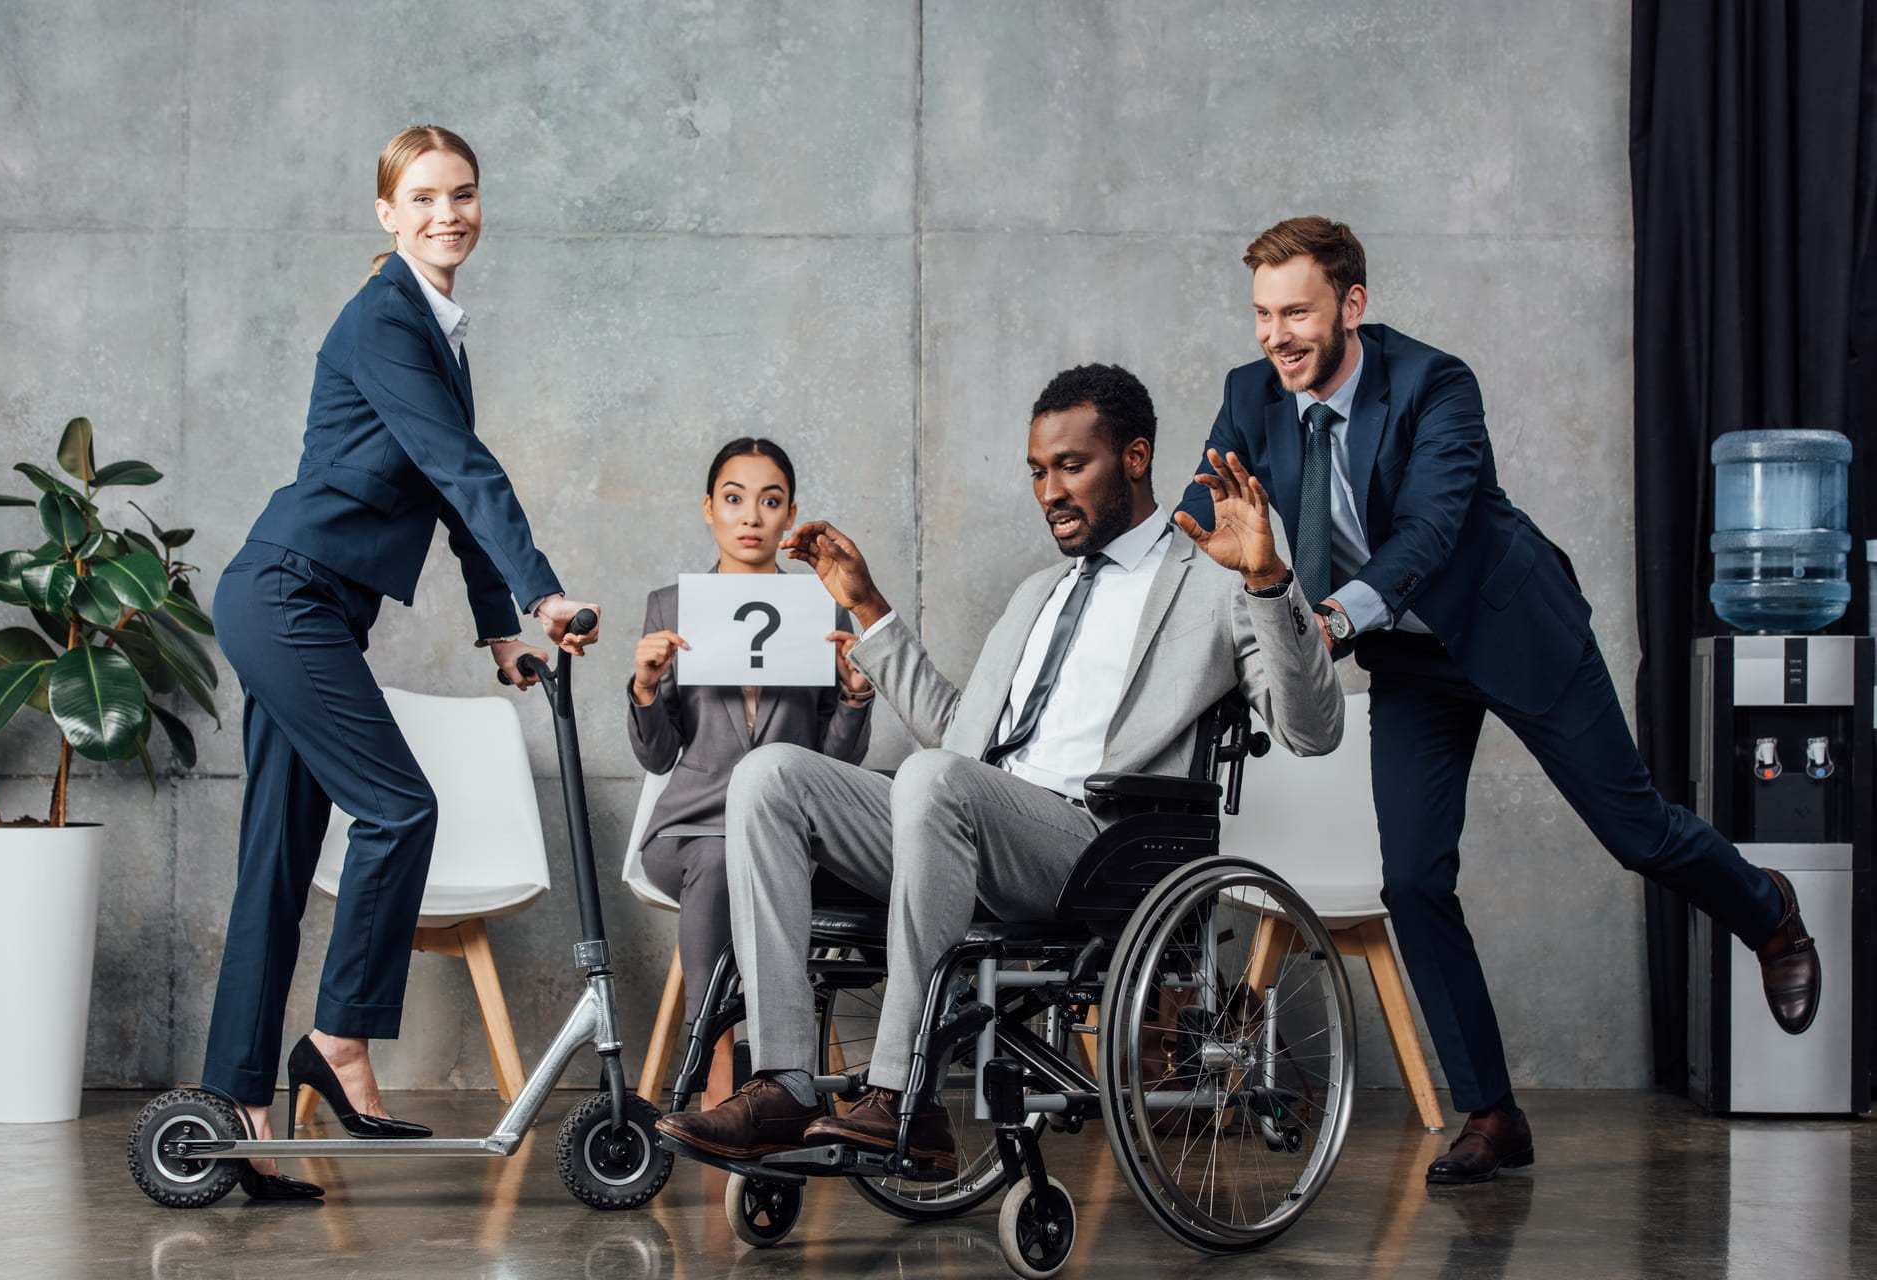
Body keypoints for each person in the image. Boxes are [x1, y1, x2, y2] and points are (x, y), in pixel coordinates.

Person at [1176, 216, 1820, 1185]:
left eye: (1296, 311)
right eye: (1263, 314)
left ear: (1351, 305)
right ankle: (1492, 1111)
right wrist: (1223, 557)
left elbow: (1432, 529)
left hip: (1507, 622)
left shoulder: (1436, 385)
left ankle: (1767, 909)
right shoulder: (1248, 396)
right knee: (1413, 880)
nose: (1277, 335)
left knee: (1636, 832)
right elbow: (1212, 510)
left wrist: (1331, 622)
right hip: (1409, 662)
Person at [655, 363, 1342, 1168]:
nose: (1049, 489)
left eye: (1071, 466)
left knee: (934, 781)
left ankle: (902, 1095)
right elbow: (959, 740)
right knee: (770, 774)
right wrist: (866, 605)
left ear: (1134, 457)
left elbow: (1314, 729)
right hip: (963, 818)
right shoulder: (1037, 594)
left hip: (1096, 847)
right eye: (1037, 471)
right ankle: (783, 1084)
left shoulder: (1213, 583)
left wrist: (1266, 579)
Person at [201, 126, 600, 1200]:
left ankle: (234, 1107)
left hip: (313, 607)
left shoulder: (438, 333)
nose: (447, 214)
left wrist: (501, 626)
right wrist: (544, 589)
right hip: (285, 596)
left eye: (463, 195)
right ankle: (337, 1041)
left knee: (278, 859)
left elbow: (446, 486)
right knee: (398, 808)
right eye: (422, 196)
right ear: (386, 211)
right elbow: (464, 469)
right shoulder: (387, 318)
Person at [627, 437, 875, 1106]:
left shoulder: (821, 611)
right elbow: (656, 757)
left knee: (741, 853)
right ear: (709, 509)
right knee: (718, 854)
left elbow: (833, 769)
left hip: (787, 838)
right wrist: (646, 690)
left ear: (789, 514)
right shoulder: (669, 608)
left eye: (769, 502)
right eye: (734, 499)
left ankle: (756, 1071)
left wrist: (854, 697)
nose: (751, 517)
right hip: (690, 828)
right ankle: (718, 1072)